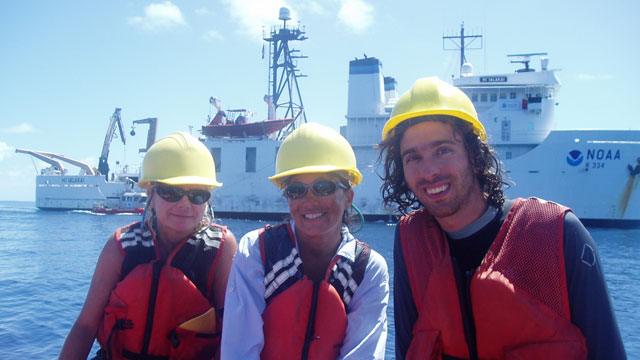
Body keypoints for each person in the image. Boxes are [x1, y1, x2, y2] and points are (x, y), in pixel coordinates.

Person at [378, 77, 626, 360]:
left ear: (473, 153)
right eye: (413, 158)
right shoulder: (412, 241)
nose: (430, 171)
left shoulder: (558, 233)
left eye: (443, 150)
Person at [60, 132, 238, 359]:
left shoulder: (221, 249)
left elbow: (232, 334)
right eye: (171, 193)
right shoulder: (121, 246)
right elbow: (85, 326)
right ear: (150, 193)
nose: (184, 204)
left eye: (197, 195)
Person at [221, 123, 389, 359]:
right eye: (296, 190)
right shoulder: (256, 251)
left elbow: (363, 353)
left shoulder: (368, 269)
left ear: (348, 197)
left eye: (323, 187)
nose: (309, 201)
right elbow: (239, 350)